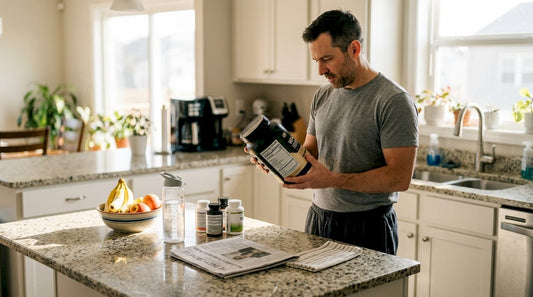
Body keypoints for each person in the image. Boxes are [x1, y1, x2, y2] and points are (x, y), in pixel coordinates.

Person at [247, 10, 418, 255]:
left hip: (369, 226)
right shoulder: (323, 95)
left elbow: (400, 178)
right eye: (316, 60)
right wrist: (274, 160)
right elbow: (309, 157)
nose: (320, 70)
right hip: (319, 219)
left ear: (354, 49)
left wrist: (333, 179)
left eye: (327, 59)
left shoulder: (393, 100)